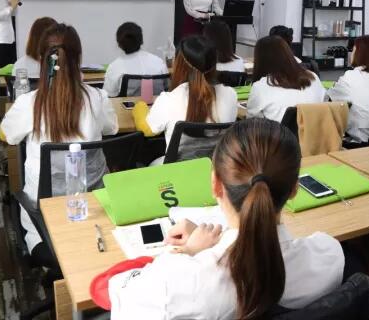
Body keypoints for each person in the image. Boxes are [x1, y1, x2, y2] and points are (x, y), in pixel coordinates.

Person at [108, 118, 344, 319]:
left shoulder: (174, 289)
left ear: (215, 184)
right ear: (294, 189)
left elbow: (120, 291)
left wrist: (188, 251)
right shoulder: (329, 256)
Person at [0, 24, 117, 261]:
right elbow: (112, 128)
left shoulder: (29, 104)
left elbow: (8, 135)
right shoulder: (97, 98)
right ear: (78, 59)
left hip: (44, 221)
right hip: (96, 214)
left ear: (42, 60)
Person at [133, 35, 238, 149]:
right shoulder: (231, 94)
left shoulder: (168, 100)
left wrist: (140, 106)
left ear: (179, 65)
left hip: (179, 162)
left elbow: (147, 130)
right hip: (217, 160)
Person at [327, 35, 369, 142]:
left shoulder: (351, 76)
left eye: (353, 50)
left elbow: (329, 99)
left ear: (359, 54)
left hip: (364, 138)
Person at [248, 36, 325, 122]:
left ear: (260, 60)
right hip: (314, 129)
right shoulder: (313, 77)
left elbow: (251, 121)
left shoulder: (260, 87)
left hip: (279, 131)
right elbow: (324, 103)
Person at [103, 22, 168, 97]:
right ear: (141, 41)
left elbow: (108, 96)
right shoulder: (158, 62)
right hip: (157, 104)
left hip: (127, 105)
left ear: (119, 44)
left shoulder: (114, 67)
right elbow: (167, 88)